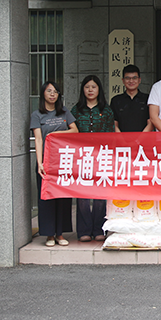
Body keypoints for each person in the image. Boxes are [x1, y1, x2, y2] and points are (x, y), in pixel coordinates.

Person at [30, 81, 78, 247]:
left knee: (63, 197)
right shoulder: (37, 115)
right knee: (46, 197)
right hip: (46, 162)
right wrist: (39, 162)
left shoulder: (64, 112)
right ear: (43, 93)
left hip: (63, 161)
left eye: (55, 92)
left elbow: (75, 130)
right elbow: (38, 139)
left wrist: (56, 133)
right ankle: (49, 235)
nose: (52, 94)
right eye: (49, 91)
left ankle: (60, 234)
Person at [71, 75, 115, 242]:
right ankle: (84, 230)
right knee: (82, 195)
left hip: (101, 156)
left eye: (93, 87)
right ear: (83, 89)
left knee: (100, 196)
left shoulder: (107, 110)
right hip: (81, 157)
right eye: (87, 87)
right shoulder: (76, 110)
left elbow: (110, 134)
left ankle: (99, 229)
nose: (90, 90)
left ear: (99, 90)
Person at [110, 64, 153, 132]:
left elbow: (150, 122)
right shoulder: (116, 100)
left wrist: (141, 138)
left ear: (139, 80)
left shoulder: (148, 99)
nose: (131, 81)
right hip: (121, 138)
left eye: (134, 78)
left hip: (143, 138)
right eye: (127, 78)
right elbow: (114, 124)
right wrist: (121, 138)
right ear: (123, 80)